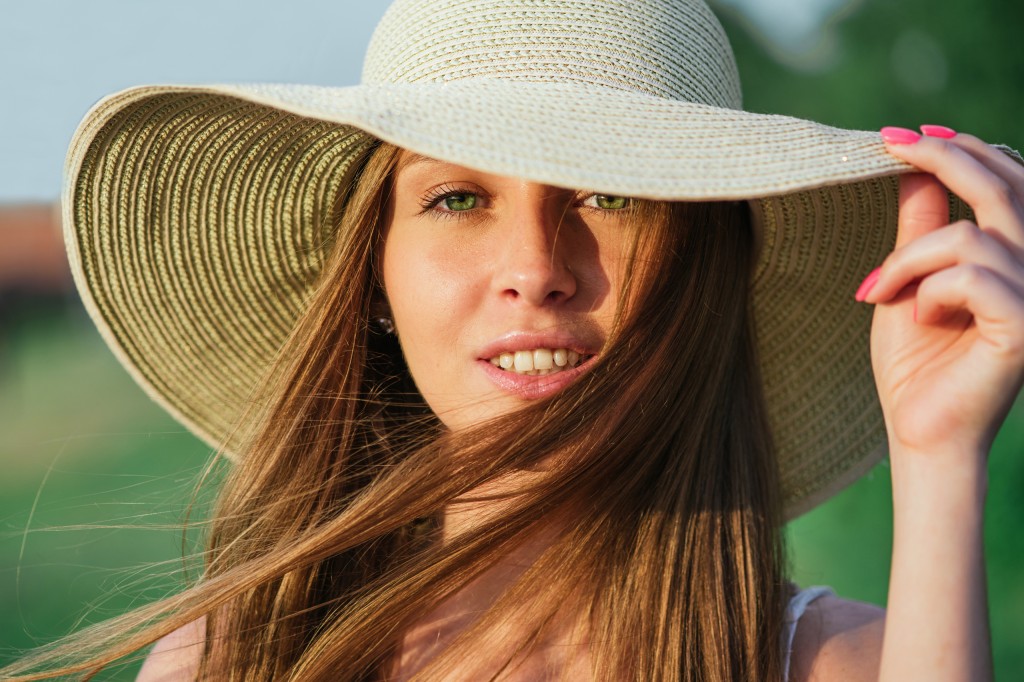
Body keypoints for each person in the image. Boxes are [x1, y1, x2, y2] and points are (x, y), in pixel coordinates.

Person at [7, 0, 1024, 679]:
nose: (537, 264)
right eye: (457, 198)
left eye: (612, 191)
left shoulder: (834, 663)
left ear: (700, 271)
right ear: (375, 278)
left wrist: (937, 462)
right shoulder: (237, 661)